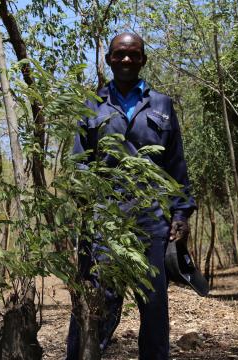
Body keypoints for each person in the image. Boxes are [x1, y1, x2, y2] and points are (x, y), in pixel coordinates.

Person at [66, 32, 196, 360]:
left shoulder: (162, 104)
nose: (126, 60)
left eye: (134, 55)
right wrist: (88, 211)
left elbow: (175, 163)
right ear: (109, 59)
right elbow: (80, 163)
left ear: (143, 60)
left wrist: (181, 214)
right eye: (120, 54)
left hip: (151, 217)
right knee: (97, 303)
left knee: (153, 306)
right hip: (104, 217)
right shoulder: (90, 104)